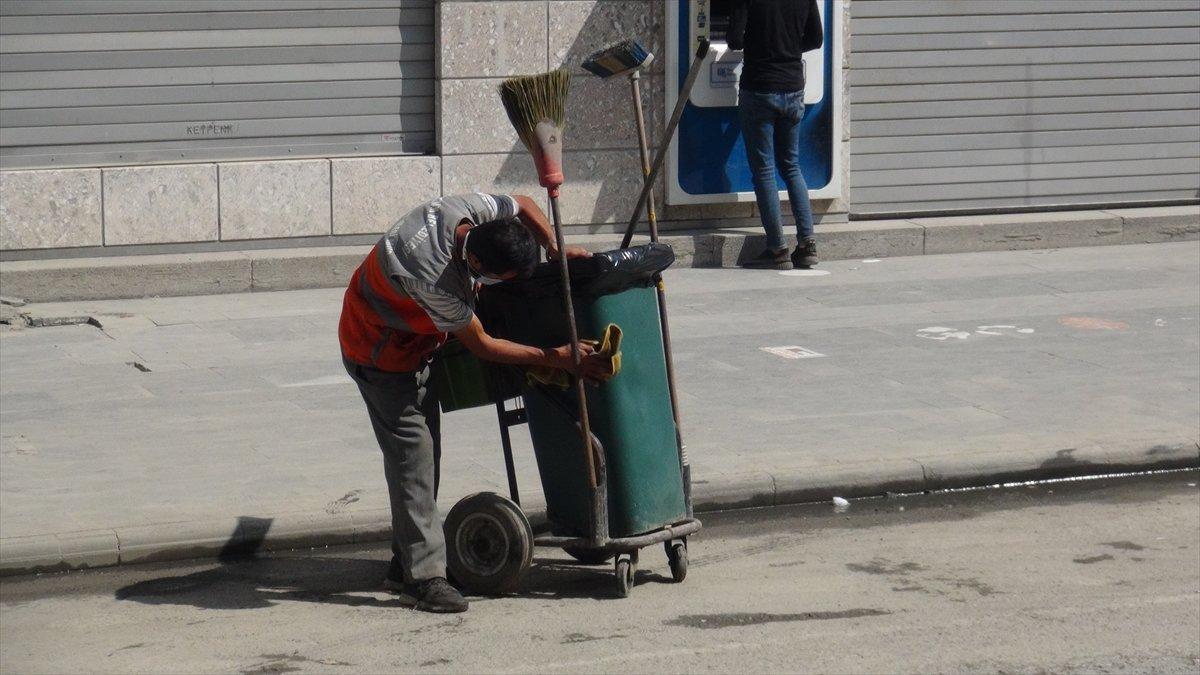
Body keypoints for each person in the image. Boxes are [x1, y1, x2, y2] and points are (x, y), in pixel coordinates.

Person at [339, 192, 609, 613]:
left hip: (416, 343)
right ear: (479, 266)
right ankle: (423, 580)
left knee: (424, 458)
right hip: (379, 353)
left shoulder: (461, 213)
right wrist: (556, 358)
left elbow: (519, 201)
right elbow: (482, 344)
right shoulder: (431, 276)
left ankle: (405, 560)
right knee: (414, 456)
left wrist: (553, 246)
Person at [728, 0, 824, 270]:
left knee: (764, 170)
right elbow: (815, 39)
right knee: (792, 166)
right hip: (793, 88)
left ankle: (777, 249)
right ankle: (807, 245)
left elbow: (734, 40)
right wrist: (788, 49)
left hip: (759, 88)